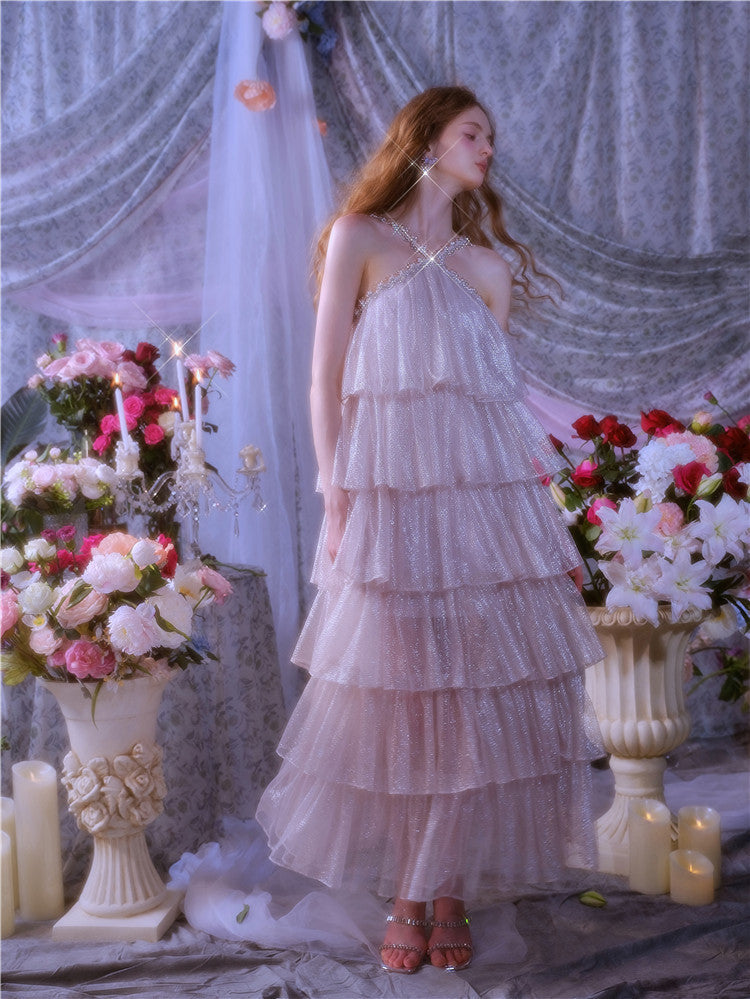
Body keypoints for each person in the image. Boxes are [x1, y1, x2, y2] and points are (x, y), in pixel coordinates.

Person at [256, 86, 603, 975]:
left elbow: (492, 411)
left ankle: (436, 894)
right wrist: (337, 491)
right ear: (425, 140)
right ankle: (420, 892)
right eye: (471, 132)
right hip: (387, 506)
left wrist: (537, 531)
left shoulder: (488, 268)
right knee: (407, 701)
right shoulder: (360, 238)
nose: (487, 147)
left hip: (480, 518)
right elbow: (324, 375)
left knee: (470, 705)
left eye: (490, 135)